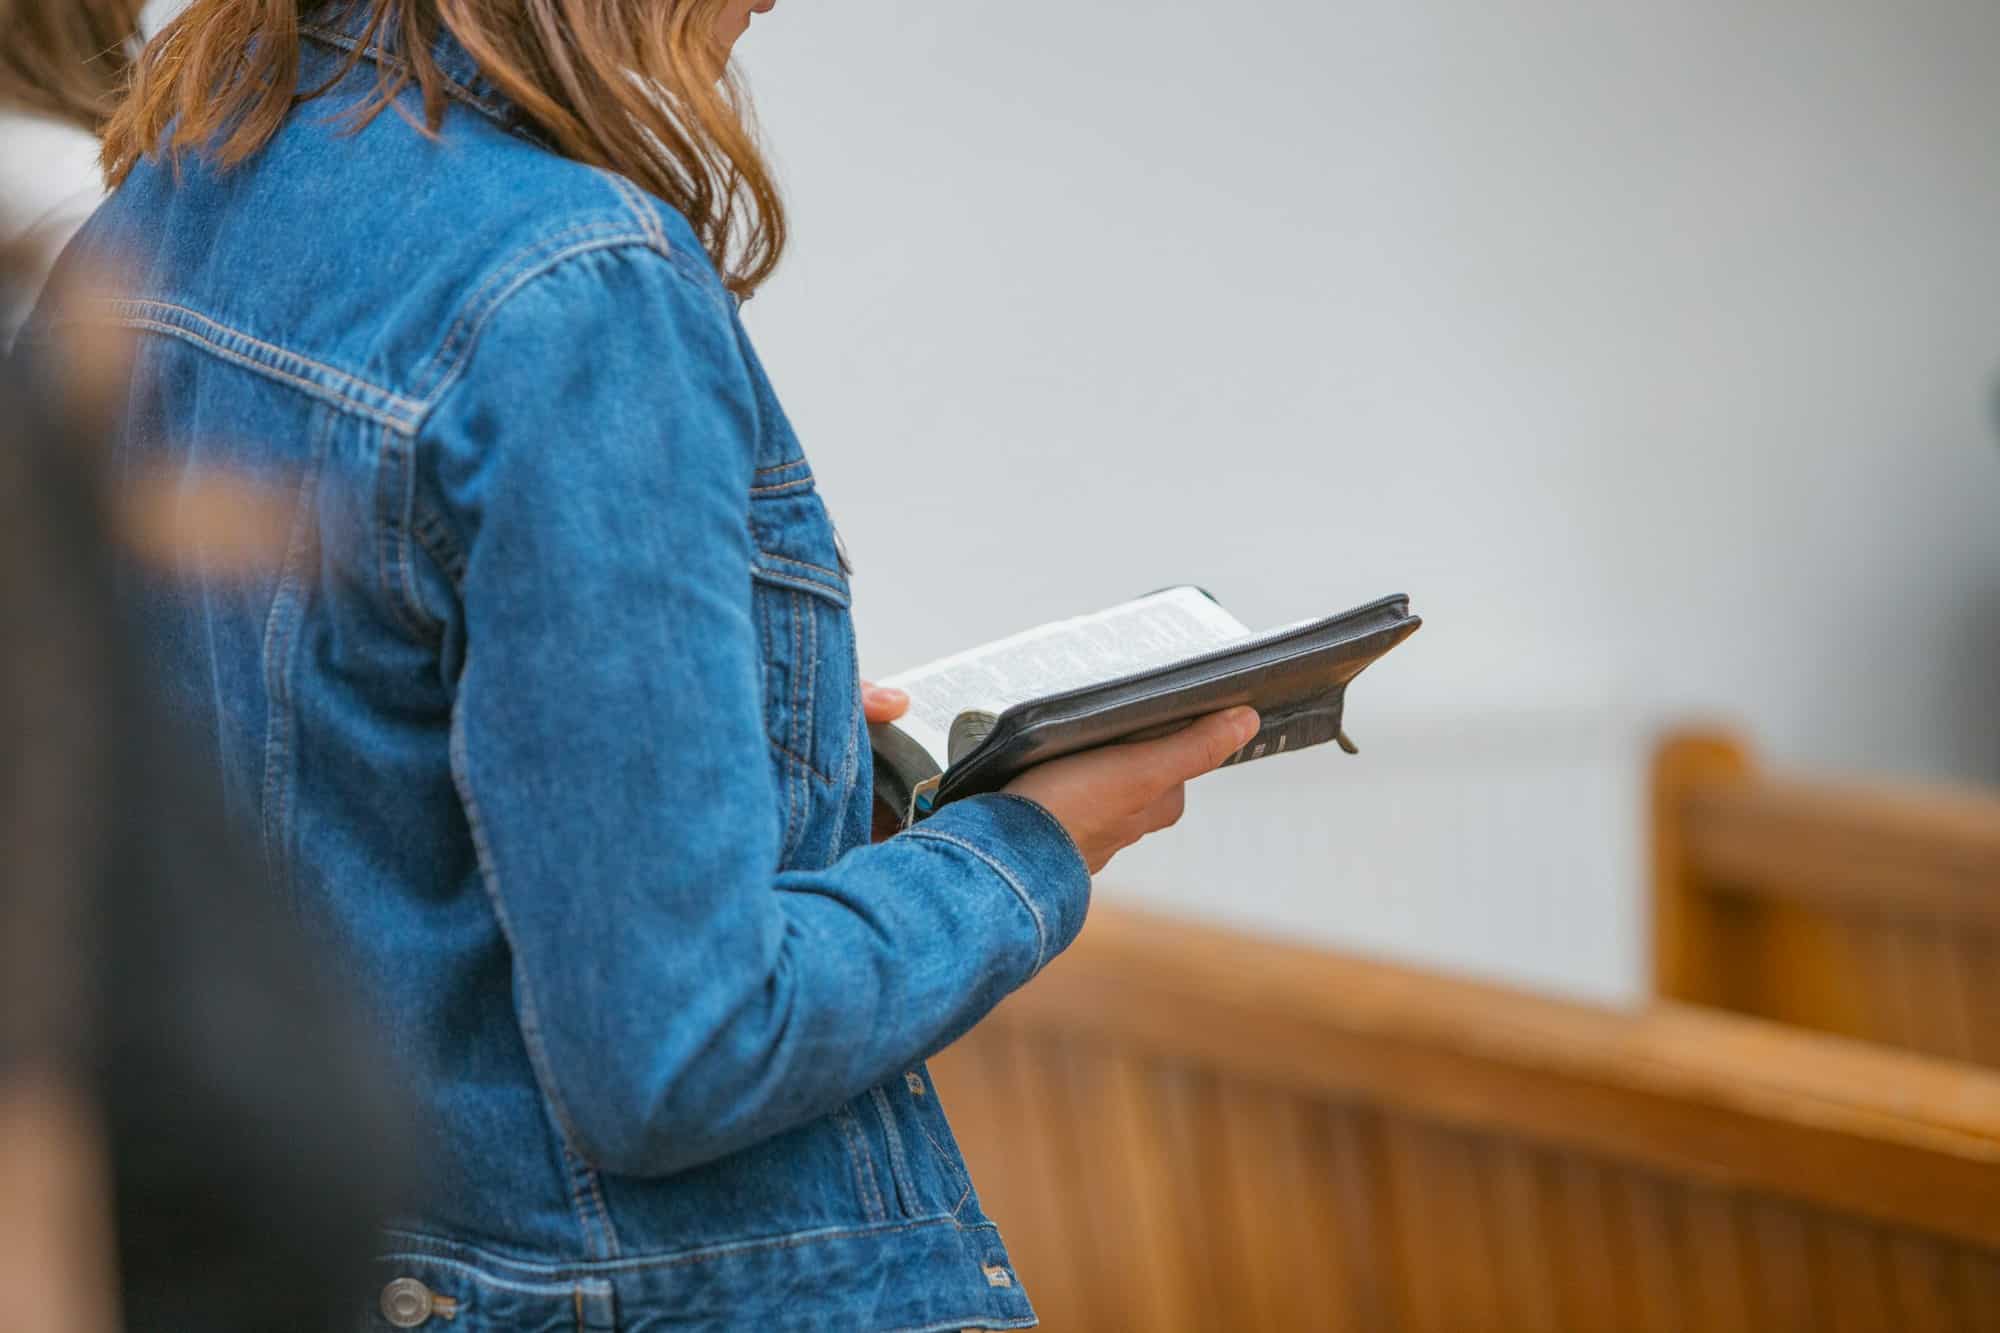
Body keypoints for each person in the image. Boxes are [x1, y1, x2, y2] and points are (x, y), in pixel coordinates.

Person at [27, 1, 1260, 1327]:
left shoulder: (138, 234)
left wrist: (746, 750)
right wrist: (1033, 845)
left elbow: (319, 781)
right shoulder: (572, 289)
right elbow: (681, 1051)